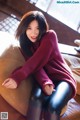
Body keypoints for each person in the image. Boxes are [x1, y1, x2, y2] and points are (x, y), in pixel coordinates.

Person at [2, 11, 77, 120]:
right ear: (24, 28)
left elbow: (36, 61)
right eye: (29, 28)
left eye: (37, 28)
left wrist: (17, 77)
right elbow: (36, 67)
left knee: (53, 107)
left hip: (63, 79)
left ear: (42, 28)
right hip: (45, 77)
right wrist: (45, 82)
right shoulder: (25, 45)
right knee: (35, 100)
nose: (34, 33)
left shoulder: (50, 36)